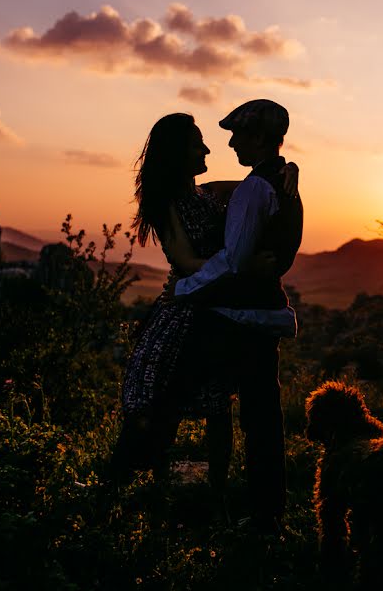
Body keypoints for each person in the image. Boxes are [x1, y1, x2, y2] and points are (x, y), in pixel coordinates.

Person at [108, 112, 298, 512]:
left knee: (215, 407)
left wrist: (289, 172)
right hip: (186, 307)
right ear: (179, 154)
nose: (210, 147)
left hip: (214, 305)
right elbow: (185, 260)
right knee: (161, 397)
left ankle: (209, 492)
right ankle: (133, 485)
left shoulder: (208, 193)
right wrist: (241, 265)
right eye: (198, 143)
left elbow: (259, 185)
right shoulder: (167, 205)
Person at [171, 99, 303, 534]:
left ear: (259, 138)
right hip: (264, 313)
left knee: (172, 394)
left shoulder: (255, 190)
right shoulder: (282, 184)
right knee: (263, 414)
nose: (228, 142)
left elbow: (235, 260)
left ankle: (249, 514)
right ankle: (269, 512)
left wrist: (186, 289)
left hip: (240, 317)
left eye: (238, 134)